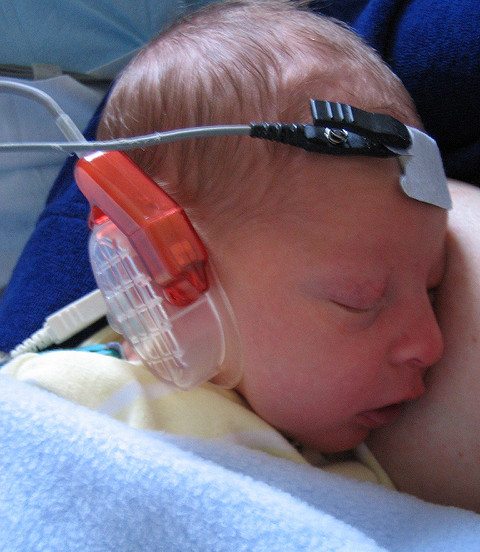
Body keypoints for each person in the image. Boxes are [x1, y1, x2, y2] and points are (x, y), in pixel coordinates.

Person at [2, 0, 452, 498]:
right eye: (359, 300)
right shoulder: (67, 401)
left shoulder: (353, 476)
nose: (430, 344)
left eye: (433, 293)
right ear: (164, 272)